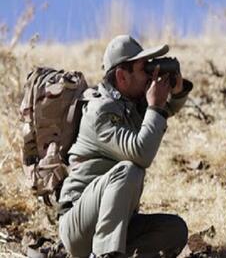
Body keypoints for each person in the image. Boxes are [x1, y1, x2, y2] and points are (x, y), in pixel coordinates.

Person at [57, 34, 193, 258]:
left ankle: (113, 251)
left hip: (112, 221)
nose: (150, 75)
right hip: (78, 225)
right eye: (143, 70)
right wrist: (155, 105)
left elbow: (159, 115)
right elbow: (141, 152)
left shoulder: (128, 105)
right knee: (128, 170)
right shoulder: (101, 110)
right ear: (122, 76)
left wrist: (175, 93)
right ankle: (105, 255)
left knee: (174, 230)